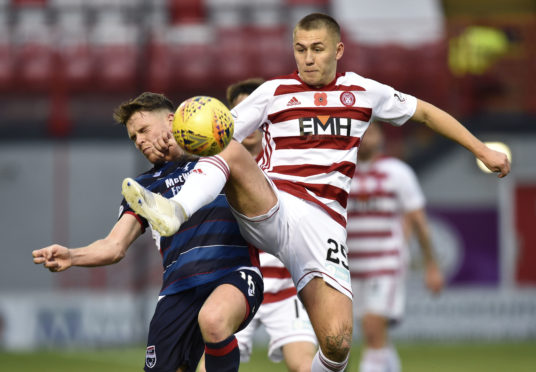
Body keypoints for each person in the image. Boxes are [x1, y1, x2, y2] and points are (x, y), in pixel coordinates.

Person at [120, 13, 510, 372]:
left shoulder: (362, 92)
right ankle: (176, 210)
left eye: (317, 49)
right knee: (228, 143)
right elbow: (217, 138)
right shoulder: (274, 92)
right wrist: (174, 142)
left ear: (338, 50)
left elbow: (424, 112)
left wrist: (480, 148)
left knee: (338, 345)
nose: (307, 59)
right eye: (300, 49)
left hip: (324, 225)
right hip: (273, 206)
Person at [32, 92, 264, 372]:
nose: (139, 141)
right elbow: (114, 246)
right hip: (178, 290)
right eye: (133, 138)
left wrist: (189, 146)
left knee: (214, 321)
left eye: (143, 130)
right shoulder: (143, 188)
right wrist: (72, 255)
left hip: (233, 272)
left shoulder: (217, 157)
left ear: (171, 120)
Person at [228, 78, 318, 372]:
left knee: (305, 366)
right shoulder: (218, 170)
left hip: (286, 288)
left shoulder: (288, 164)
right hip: (235, 285)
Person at [346, 122, 444, 372]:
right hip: (350, 267)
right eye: (361, 132)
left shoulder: (398, 172)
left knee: (372, 327)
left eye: (372, 132)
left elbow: (420, 222)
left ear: (381, 137)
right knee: (374, 336)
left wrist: (431, 264)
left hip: (385, 262)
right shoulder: (341, 173)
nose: (366, 138)